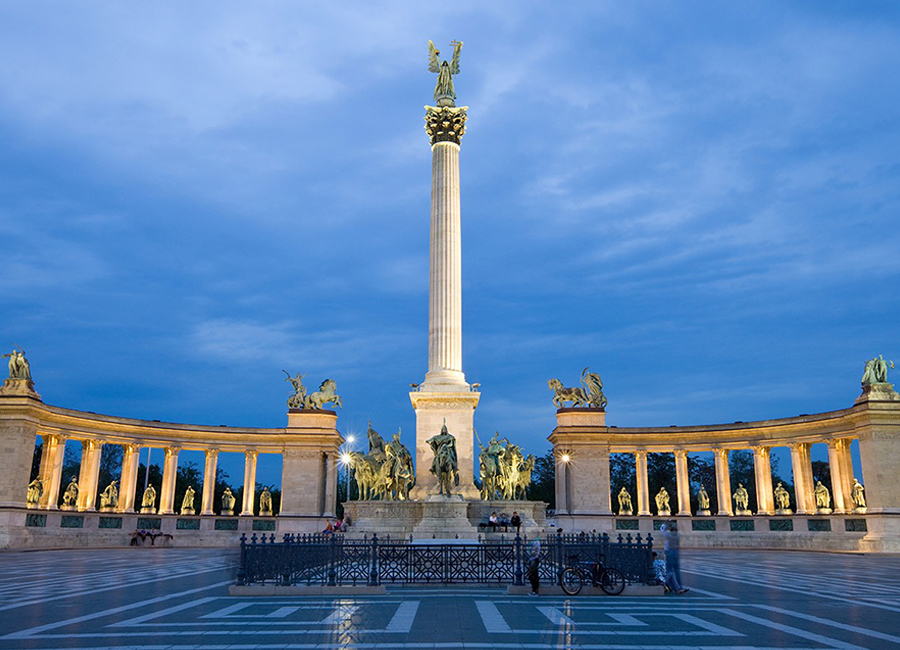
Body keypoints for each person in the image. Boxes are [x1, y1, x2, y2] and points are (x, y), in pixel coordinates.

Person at [660, 521, 688, 594]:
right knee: (677, 571)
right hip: (676, 552)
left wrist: (666, 523)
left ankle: (665, 584)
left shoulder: (668, 535)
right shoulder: (678, 536)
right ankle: (679, 586)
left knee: (669, 570)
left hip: (669, 552)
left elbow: (662, 529)